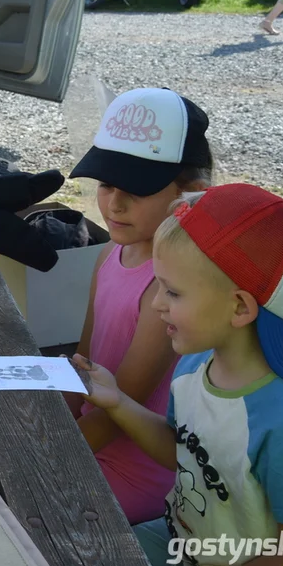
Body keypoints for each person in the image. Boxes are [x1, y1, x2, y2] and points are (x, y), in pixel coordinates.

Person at [74, 183, 283, 566]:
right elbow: (184, 450)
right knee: (84, 559)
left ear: (239, 307)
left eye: (173, 291)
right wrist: (117, 402)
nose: (157, 302)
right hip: (188, 544)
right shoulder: (195, 366)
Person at [65, 88, 212, 525]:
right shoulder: (109, 253)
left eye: (136, 190)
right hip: (90, 437)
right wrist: (59, 421)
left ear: (192, 196)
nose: (114, 203)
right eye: (106, 184)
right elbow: (83, 364)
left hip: (136, 472)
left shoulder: (166, 289)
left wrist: (51, 450)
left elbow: (119, 407)